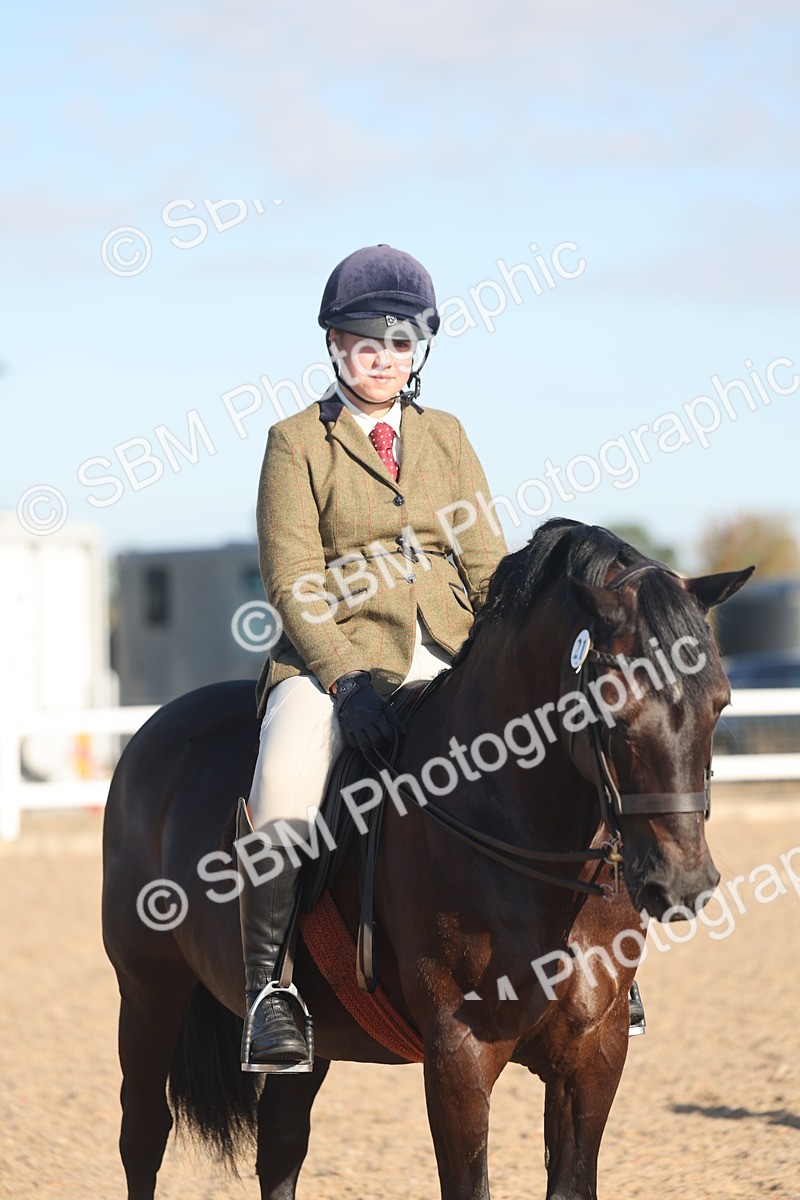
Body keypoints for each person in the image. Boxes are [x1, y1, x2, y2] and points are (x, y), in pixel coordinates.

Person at [237, 245, 509, 1070]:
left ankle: (592, 959)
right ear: (334, 345)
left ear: (417, 350)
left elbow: (488, 563)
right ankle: (269, 994)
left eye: (399, 345)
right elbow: (292, 578)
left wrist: (506, 649)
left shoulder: (447, 434)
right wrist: (346, 677)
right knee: (285, 783)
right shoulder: (295, 442)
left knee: (565, 743)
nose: (384, 359)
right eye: (367, 343)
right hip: (335, 660)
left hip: (450, 649)